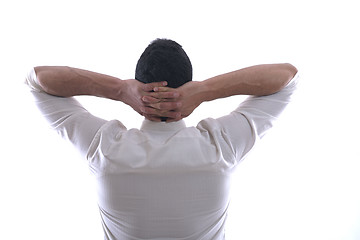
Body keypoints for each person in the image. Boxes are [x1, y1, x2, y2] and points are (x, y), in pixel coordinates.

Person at [25, 38, 298, 240]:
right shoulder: (220, 147)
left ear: (139, 86)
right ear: (188, 83)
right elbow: (288, 77)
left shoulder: (106, 149)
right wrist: (204, 90)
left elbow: (38, 79)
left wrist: (120, 89)